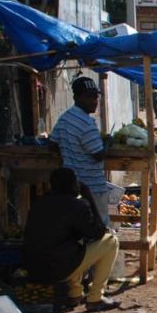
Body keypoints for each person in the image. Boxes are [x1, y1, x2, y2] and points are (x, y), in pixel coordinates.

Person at [23, 168, 120, 312]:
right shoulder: (77, 205)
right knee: (111, 241)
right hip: (58, 269)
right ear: (73, 185)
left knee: (73, 247)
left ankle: (75, 294)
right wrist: (88, 197)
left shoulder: (39, 203)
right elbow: (98, 233)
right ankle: (95, 298)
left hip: (33, 268)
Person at [49, 77, 112, 227]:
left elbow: (52, 144)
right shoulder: (86, 123)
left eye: (95, 97)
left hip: (72, 185)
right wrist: (108, 143)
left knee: (77, 227)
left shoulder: (64, 118)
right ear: (76, 97)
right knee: (99, 227)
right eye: (89, 97)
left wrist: (70, 151)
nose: (94, 101)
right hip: (92, 186)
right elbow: (98, 155)